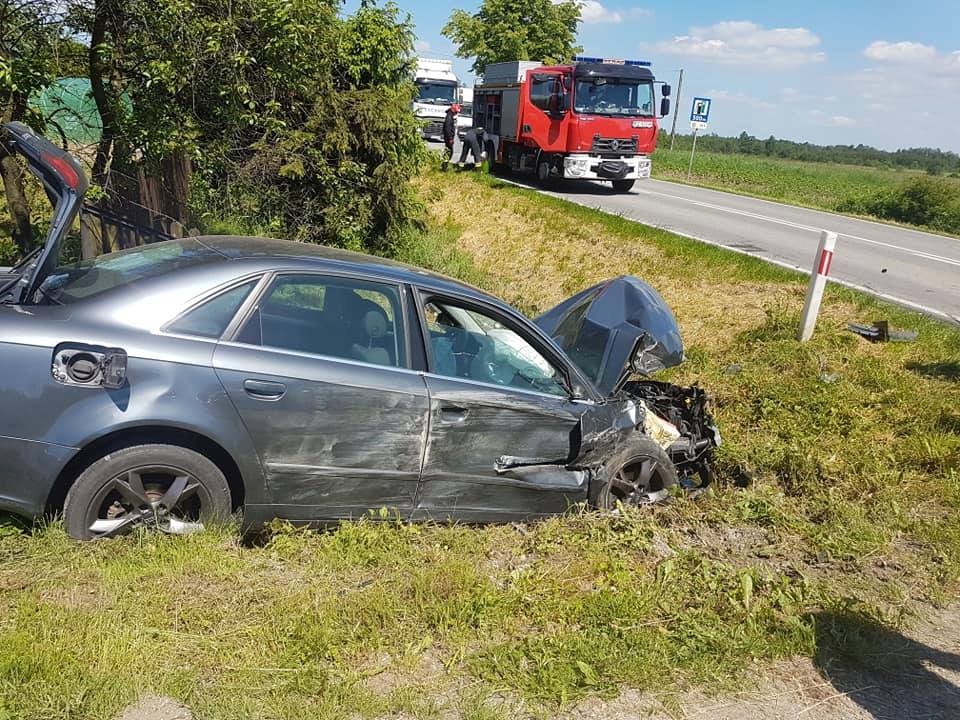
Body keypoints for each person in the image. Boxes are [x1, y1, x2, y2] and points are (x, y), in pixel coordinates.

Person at [441, 103, 460, 170]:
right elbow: (447, 128)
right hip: (448, 138)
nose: (456, 113)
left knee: (448, 151)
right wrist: (450, 138)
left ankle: (444, 165)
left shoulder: (450, 115)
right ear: (454, 110)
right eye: (456, 112)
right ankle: (444, 166)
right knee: (449, 151)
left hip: (448, 137)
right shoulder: (449, 117)